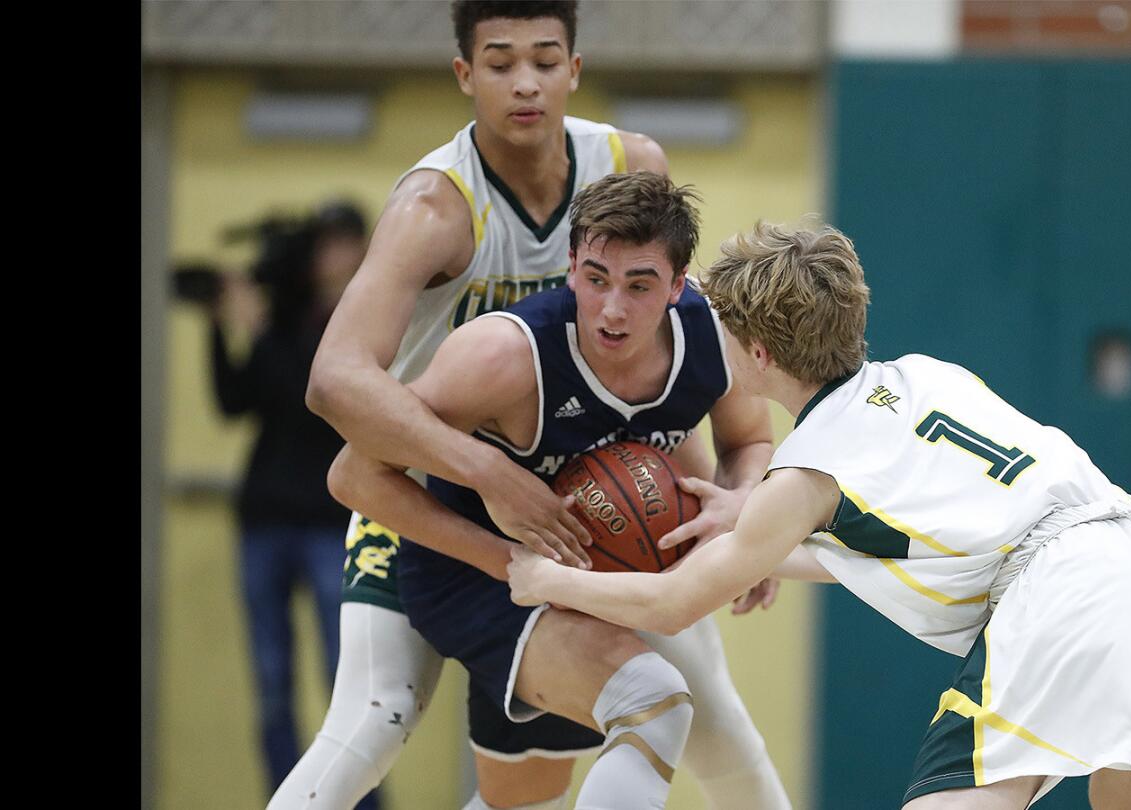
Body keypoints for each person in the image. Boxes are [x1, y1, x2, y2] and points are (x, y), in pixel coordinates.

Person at [507, 221, 1131, 810]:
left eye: (721, 328)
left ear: (757, 353)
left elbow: (673, 605)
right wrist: (751, 522)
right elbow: (905, 539)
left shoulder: (809, 473)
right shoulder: (928, 376)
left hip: (1074, 587)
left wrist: (545, 579)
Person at [271, 4, 789, 808]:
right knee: (375, 721)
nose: (525, 83)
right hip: (423, 474)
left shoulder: (629, 164)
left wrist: (731, 514)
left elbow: (669, 365)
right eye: (501, 61)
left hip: (584, 496)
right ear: (464, 75)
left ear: (575, 69)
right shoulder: (436, 207)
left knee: (686, 722)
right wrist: (482, 470)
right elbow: (334, 383)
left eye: (545, 61)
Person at [326, 171, 778, 810]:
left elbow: (750, 441)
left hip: (589, 578)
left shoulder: (713, 336)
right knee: (654, 704)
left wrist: (741, 513)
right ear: (570, 268)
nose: (613, 307)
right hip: (476, 573)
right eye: (596, 279)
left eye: (639, 284)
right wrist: (513, 554)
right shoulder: (502, 357)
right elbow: (352, 475)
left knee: (524, 799)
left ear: (679, 286)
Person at [205, 203, 369, 801]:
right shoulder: (282, 318)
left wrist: (259, 332)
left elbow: (321, 395)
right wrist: (220, 326)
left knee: (346, 683)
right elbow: (234, 401)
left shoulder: (365, 317)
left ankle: (354, 799)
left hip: (331, 522)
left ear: (358, 248)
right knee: (272, 681)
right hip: (265, 520)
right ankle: (287, 798)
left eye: (337, 243)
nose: (326, 256)